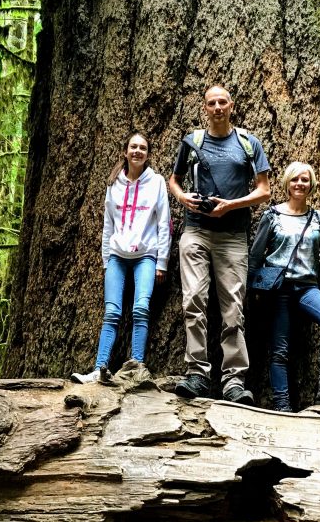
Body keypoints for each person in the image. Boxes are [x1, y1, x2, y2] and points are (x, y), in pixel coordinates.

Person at [169, 85, 271, 404]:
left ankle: (234, 381)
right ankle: (198, 374)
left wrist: (230, 205)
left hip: (233, 235)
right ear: (205, 108)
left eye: (222, 102)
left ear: (232, 106)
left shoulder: (248, 143)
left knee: (233, 308)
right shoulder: (193, 141)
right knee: (193, 301)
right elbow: (173, 179)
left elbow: (264, 191)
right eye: (211, 103)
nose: (217, 107)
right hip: (196, 231)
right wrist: (183, 197)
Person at [248, 161, 320, 412]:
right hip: (278, 290)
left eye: (304, 179)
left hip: (307, 288)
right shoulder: (272, 216)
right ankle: (282, 405)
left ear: (311, 184)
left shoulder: (318, 218)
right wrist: (252, 290)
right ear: (287, 183)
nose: (299, 184)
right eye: (295, 179)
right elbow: (256, 256)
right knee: (280, 351)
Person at [71, 133, 171, 385]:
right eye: (133, 147)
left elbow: (164, 224)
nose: (137, 151)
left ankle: (136, 366)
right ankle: (99, 368)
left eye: (143, 148)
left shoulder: (157, 181)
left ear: (148, 154)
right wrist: (106, 260)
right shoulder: (113, 182)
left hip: (146, 256)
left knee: (140, 309)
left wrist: (162, 262)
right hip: (117, 255)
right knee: (112, 312)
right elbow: (108, 224)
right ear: (125, 151)